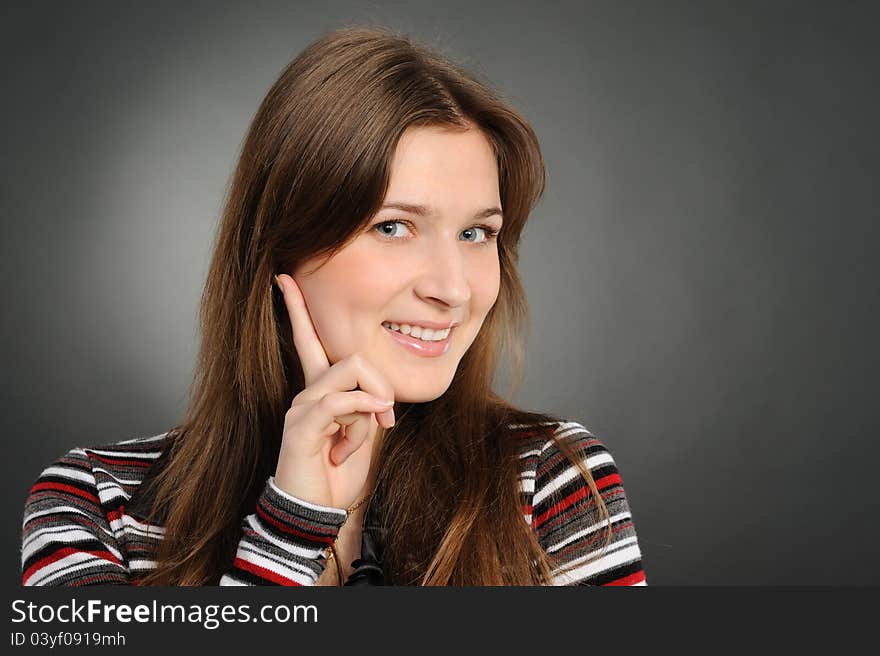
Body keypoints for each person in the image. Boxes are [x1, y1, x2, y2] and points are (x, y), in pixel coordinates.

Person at [20, 25, 647, 587]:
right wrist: (293, 524)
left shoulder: (553, 482)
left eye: (476, 233)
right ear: (283, 245)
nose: (454, 289)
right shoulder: (94, 504)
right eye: (395, 227)